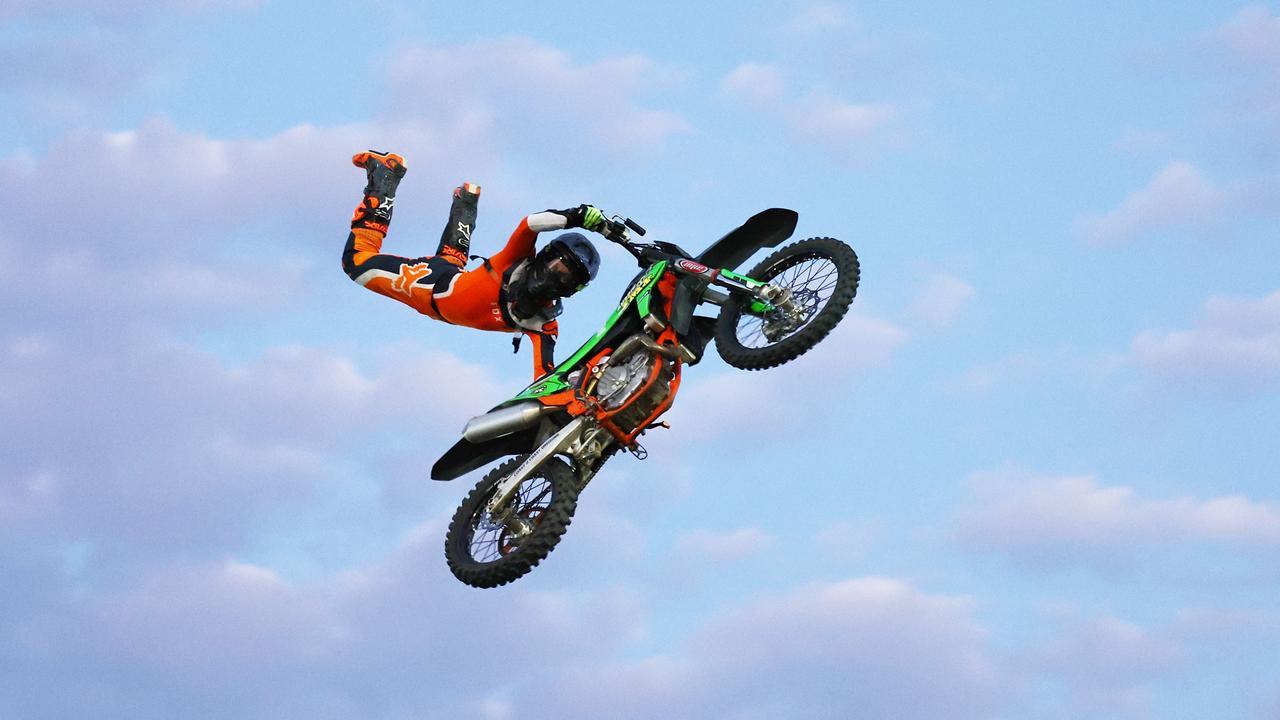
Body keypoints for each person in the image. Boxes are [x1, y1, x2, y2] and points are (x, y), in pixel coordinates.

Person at [341, 150, 607, 378]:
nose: (554, 276)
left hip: (451, 279)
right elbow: (529, 224)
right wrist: (575, 216)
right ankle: (383, 175)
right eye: (556, 265)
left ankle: (466, 203)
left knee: (451, 262)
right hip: (428, 286)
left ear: (572, 290)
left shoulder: (544, 322)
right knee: (356, 261)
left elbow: (545, 377)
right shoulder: (518, 260)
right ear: (544, 255)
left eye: (566, 277)